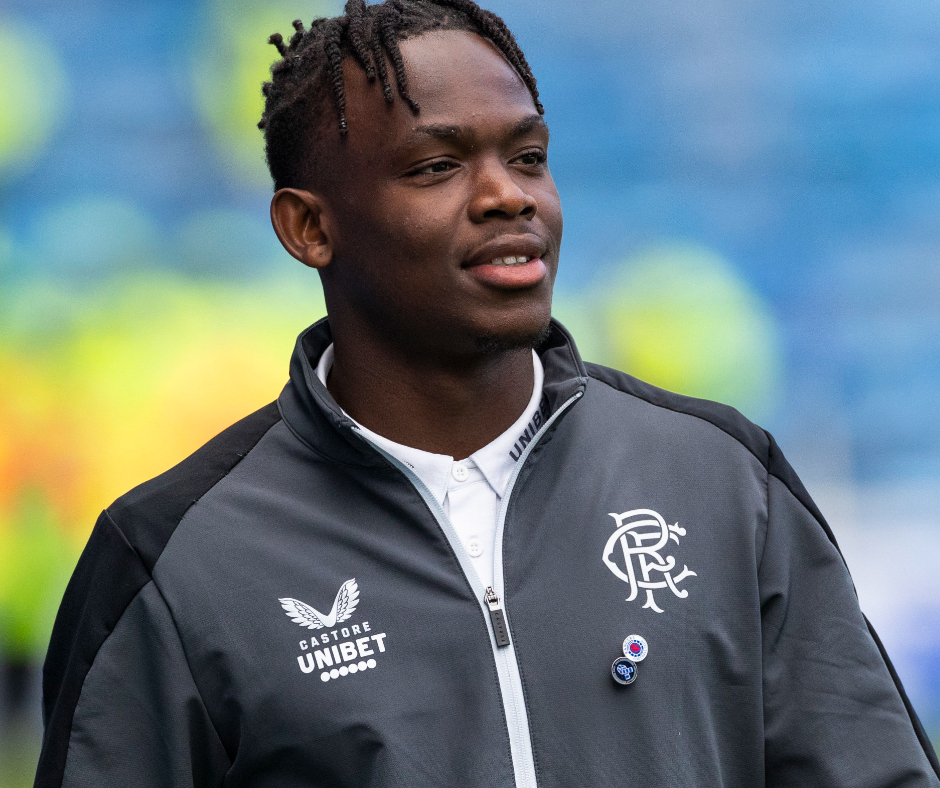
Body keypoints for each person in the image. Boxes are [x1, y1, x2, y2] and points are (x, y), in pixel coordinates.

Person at [34, 1, 940, 786]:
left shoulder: (724, 483)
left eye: (530, 156)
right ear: (308, 227)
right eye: (437, 166)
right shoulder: (171, 560)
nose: (509, 196)